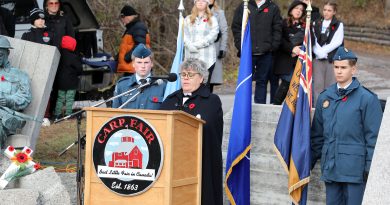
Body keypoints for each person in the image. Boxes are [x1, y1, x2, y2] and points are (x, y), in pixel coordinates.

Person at [311, 47, 383, 205]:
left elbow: (373, 138)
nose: (339, 71)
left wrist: (371, 170)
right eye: (336, 67)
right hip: (331, 168)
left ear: (353, 69)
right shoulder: (325, 97)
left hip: (355, 172)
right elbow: (317, 135)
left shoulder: (367, 99)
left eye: (343, 67)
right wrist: (306, 163)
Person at [160, 58, 223, 205]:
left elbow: (206, 128)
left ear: (201, 78)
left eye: (190, 75)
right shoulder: (170, 99)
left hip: (201, 161)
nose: (185, 79)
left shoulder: (211, 100)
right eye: (183, 75)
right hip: (172, 161)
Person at [232, 0, 282, 104]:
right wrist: (240, 45)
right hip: (247, 53)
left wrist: (273, 46)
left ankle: (260, 106)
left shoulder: (273, 7)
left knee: (262, 82)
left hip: (266, 53)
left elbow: (277, 28)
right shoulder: (244, 5)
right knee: (245, 81)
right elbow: (236, 27)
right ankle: (244, 109)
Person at [0, 36, 32, 148]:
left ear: (7, 53)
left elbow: (25, 97)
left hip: (6, 119)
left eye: (0, 54)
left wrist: (8, 100)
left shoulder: (19, 75)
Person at [112, 43, 166, 110]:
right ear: (133, 64)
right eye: (139, 62)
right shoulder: (122, 85)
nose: (143, 66)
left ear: (152, 64)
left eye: (146, 62)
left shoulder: (162, 86)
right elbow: (114, 113)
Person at [273, 0, 306, 104]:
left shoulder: (306, 25)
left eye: (301, 10)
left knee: (295, 86)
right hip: (285, 59)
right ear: (291, 9)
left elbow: (309, 41)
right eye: (296, 8)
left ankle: (288, 111)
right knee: (286, 83)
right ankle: (276, 105)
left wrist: (300, 50)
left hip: (299, 60)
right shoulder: (283, 23)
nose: (298, 11)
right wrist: (292, 48)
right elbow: (280, 40)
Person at [312, 1, 344, 104]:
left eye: (329, 10)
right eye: (325, 10)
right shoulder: (315, 23)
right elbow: (314, 40)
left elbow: (337, 41)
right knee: (318, 85)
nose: (326, 12)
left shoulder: (339, 25)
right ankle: (318, 108)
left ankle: (329, 108)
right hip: (317, 58)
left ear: (334, 12)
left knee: (330, 85)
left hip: (331, 58)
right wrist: (317, 51)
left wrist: (324, 51)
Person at [184, 0, 219, 89]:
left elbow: (213, 35)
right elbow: (183, 35)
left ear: (207, 3)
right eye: (198, 0)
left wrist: (197, 45)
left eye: (203, 0)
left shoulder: (212, 19)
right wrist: (189, 45)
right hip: (191, 57)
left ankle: (204, 103)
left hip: (207, 59)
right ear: (195, 2)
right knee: (192, 85)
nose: (200, 2)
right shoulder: (187, 19)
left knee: (204, 85)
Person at [117, 5, 151, 74]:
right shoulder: (132, 28)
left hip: (135, 70)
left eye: (123, 18)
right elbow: (126, 48)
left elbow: (140, 46)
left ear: (127, 16)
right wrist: (115, 58)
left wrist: (126, 58)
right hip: (131, 69)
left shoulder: (138, 27)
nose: (122, 20)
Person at [53, 36, 82, 119]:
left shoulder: (58, 55)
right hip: (71, 82)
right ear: (72, 45)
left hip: (60, 82)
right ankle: (68, 114)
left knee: (60, 98)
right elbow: (79, 68)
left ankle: (57, 114)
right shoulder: (73, 57)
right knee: (69, 99)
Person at [208, 0, 228, 93]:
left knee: (210, 80)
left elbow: (224, 31)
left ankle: (208, 101)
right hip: (199, 51)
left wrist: (222, 48)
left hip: (214, 49)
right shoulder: (196, 13)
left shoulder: (219, 13)